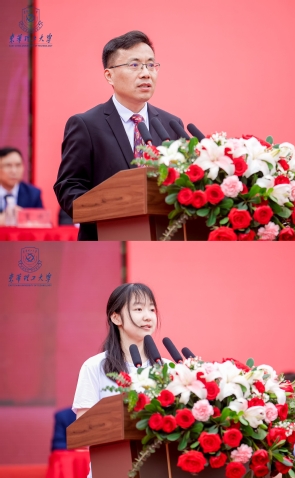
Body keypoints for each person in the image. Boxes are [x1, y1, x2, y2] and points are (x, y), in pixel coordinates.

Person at [54, 31, 184, 241]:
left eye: (151, 65)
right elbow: (69, 187)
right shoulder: (86, 125)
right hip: (105, 239)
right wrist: (110, 212)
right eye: (134, 65)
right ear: (109, 75)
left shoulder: (171, 125)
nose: (146, 73)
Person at [72, 283, 169, 478]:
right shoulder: (95, 366)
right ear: (116, 317)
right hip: (110, 470)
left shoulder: (167, 368)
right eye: (138, 309)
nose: (148, 316)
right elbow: (83, 429)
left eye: (152, 309)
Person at [0, 147, 43, 225]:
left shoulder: (33, 194)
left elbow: (44, 223)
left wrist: (25, 217)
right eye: (8, 166)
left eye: (18, 165)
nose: (14, 171)